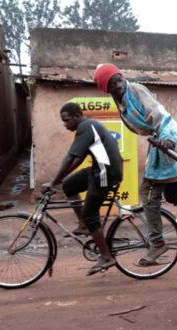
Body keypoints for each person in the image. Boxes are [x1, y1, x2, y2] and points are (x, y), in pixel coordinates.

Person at [92, 63, 177, 266]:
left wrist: (166, 140)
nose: (118, 84)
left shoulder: (135, 89)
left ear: (122, 76)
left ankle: (157, 242)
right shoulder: (120, 101)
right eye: (113, 84)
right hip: (159, 142)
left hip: (168, 138)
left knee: (148, 194)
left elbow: (157, 112)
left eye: (118, 79)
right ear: (107, 90)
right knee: (174, 194)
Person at [41, 102, 123, 275]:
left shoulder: (86, 127)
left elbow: (70, 157)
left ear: (78, 116)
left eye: (67, 120)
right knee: (69, 185)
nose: (65, 124)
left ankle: (106, 256)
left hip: (105, 172)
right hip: (100, 169)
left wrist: (52, 182)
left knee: (90, 213)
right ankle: (85, 225)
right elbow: (77, 159)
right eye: (63, 121)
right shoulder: (87, 127)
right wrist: (59, 180)